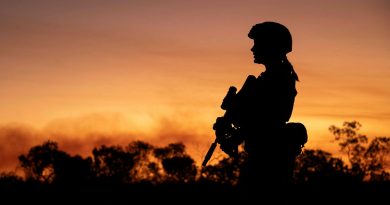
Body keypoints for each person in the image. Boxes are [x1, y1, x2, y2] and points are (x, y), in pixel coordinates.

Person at [215, 21, 304, 204]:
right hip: (263, 155)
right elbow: (257, 119)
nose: (252, 49)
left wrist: (236, 127)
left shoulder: (278, 78)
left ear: (271, 46)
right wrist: (232, 130)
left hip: (269, 160)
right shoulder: (269, 78)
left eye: (258, 43)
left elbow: (268, 119)